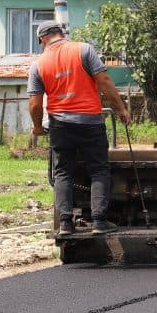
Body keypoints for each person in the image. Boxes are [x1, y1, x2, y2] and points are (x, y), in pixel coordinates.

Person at [27, 21, 130, 236]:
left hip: (60, 126)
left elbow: (35, 104)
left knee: (63, 172)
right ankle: (99, 221)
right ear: (62, 33)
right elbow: (104, 82)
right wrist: (120, 109)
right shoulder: (84, 50)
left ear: (41, 40)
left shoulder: (38, 64)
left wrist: (37, 127)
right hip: (90, 122)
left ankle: (65, 224)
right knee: (99, 170)